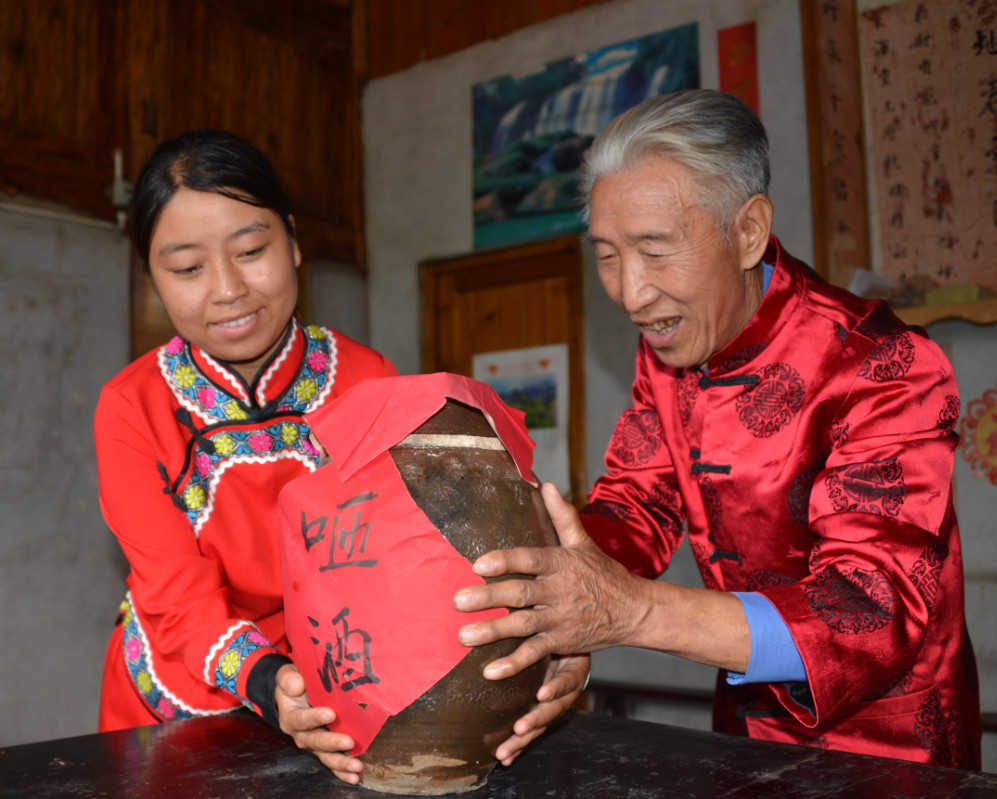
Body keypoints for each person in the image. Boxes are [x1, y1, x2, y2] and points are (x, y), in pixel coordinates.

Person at [453, 90, 981, 769]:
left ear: (748, 231)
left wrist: (632, 612)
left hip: (889, 750)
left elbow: (867, 609)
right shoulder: (672, 346)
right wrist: (556, 603)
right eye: (607, 254)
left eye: (653, 249)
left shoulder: (880, 365)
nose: (630, 292)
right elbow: (633, 508)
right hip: (743, 733)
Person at [95, 130, 583, 785]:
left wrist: (524, 652)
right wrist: (268, 679)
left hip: (332, 686)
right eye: (186, 268)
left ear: (293, 241)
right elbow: (174, 595)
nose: (227, 288)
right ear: (151, 276)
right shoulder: (131, 406)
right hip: (174, 700)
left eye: (251, 250)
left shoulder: (366, 377)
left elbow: (409, 555)